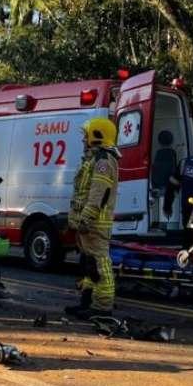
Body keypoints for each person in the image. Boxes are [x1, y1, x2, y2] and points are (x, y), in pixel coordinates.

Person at [65, 117, 120, 318]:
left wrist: (86, 218)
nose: (83, 139)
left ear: (97, 136)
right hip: (87, 224)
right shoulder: (94, 159)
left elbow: (98, 193)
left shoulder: (103, 161)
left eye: (86, 135)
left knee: (99, 264)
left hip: (95, 224)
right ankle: (87, 302)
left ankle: (102, 307)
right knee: (90, 265)